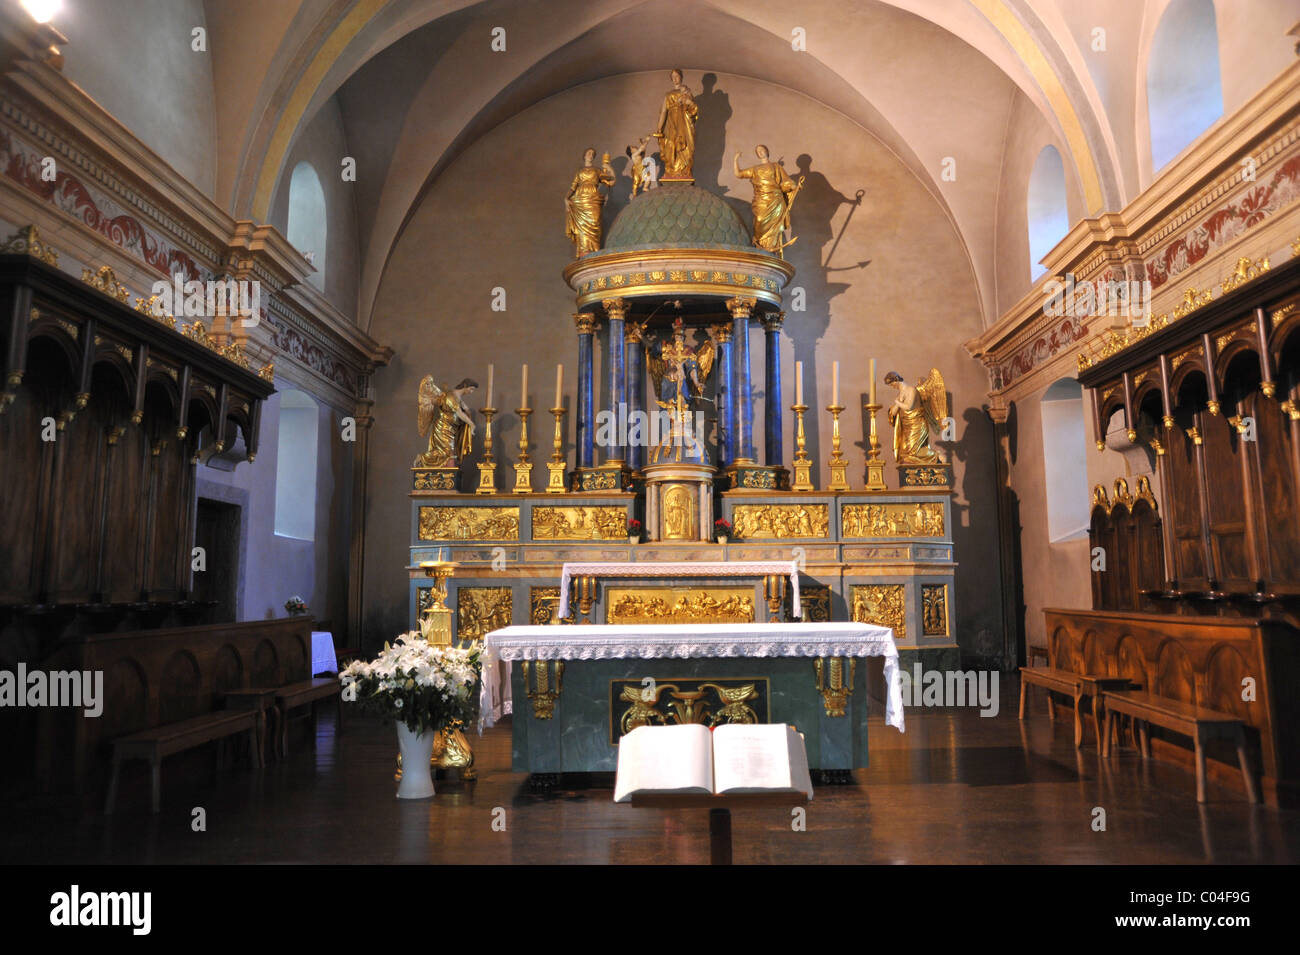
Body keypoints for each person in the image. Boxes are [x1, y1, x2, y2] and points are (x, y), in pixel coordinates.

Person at [733, 144, 800, 253]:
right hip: (761, 201)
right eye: (758, 151)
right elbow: (739, 174)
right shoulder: (755, 169)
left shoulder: (776, 166)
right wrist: (735, 160)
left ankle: (772, 251)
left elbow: (786, 181)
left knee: (775, 228)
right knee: (759, 220)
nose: (760, 152)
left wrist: (795, 187)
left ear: (767, 151)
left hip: (775, 200)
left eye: (762, 150)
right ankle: (761, 248)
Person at [564, 147, 615, 256]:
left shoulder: (597, 171)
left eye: (593, 154)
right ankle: (584, 253)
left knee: (595, 222)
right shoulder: (579, 172)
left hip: (593, 200)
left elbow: (611, 179)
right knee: (582, 228)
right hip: (580, 200)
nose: (591, 155)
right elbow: (572, 188)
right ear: (584, 155)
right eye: (589, 153)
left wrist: (609, 168)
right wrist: (566, 198)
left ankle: (594, 253)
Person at [654, 69, 699, 178]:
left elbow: (692, 108)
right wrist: (659, 128)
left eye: (677, 76)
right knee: (670, 144)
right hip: (671, 123)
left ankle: (684, 171)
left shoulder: (687, 92)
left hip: (683, 121)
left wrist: (687, 100)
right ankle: (672, 171)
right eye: (673, 77)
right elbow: (664, 112)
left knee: (685, 147)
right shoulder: (668, 95)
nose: (675, 79)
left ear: (681, 77)